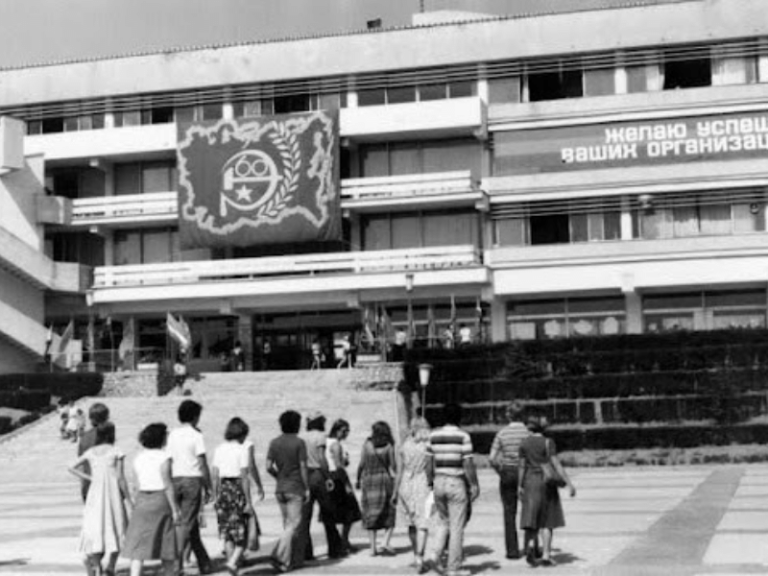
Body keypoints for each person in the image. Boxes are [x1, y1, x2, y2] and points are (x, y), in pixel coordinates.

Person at [425, 403, 480, 576]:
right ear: (459, 417)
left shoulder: (433, 435)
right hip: (456, 481)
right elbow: (468, 463)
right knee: (457, 527)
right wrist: (474, 484)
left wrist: (430, 482)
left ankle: (434, 555)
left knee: (443, 521)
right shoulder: (463, 436)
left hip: (438, 481)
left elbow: (428, 462)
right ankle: (453, 568)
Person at [69, 422, 130, 576]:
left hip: (95, 493)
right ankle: (110, 565)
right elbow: (121, 477)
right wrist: (129, 497)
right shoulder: (116, 451)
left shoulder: (90, 452)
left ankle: (96, 565)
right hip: (113, 493)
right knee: (118, 525)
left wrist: (90, 477)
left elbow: (71, 467)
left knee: (95, 525)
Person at [122, 423, 180, 576]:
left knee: (138, 544)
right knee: (166, 543)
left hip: (142, 500)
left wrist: (135, 503)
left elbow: (136, 485)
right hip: (160, 500)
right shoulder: (165, 457)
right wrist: (175, 509)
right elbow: (168, 484)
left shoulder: (138, 458)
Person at [518, 414, 576, 567]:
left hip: (530, 481)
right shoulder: (548, 442)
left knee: (530, 518)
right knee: (547, 520)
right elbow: (557, 465)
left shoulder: (523, 443)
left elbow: (522, 466)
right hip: (546, 483)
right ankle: (546, 555)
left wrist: (519, 485)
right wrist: (569, 484)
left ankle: (530, 548)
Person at [166, 400, 213, 575]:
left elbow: (169, 459)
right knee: (186, 524)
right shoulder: (196, 435)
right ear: (195, 416)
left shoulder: (173, 435)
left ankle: (204, 563)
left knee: (190, 526)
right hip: (192, 480)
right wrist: (208, 486)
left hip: (175, 478)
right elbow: (202, 463)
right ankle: (176, 565)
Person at [267, 410, 309, 573]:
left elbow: (268, 466)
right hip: (295, 487)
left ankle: (292, 560)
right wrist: (306, 487)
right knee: (294, 524)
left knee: (287, 525)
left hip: (280, 488)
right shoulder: (299, 443)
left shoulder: (274, 442)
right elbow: (303, 467)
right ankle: (278, 554)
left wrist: (278, 476)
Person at [212, 417, 255, 575]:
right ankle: (232, 562)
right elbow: (244, 476)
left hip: (223, 489)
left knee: (227, 532)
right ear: (241, 434)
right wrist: (249, 502)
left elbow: (215, 474)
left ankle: (233, 568)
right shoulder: (241, 449)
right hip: (237, 490)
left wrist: (215, 494)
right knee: (242, 532)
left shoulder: (219, 449)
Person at [489, 401, 530, 560]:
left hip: (507, 472)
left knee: (509, 512)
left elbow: (492, 458)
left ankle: (512, 550)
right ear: (523, 415)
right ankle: (530, 547)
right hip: (526, 473)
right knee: (529, 510)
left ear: (509, 415)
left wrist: (500, 472)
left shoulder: (502, 434)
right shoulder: (528, 433)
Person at [301, 411, 344, 560]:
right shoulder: (320, 436)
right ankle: (334, 549)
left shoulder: (302, 437)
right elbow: (321, 458)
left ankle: (306, 551)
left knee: (305, 517)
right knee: (328, 513)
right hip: (318, 475)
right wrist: (328, 477)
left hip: (305, 475)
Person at [392, 417, 432, 573]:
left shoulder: (404, 445)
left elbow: (399, 471)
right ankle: (420, 556)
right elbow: (430, 467)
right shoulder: (428, 445)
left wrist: (395, 492)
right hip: (422, 482)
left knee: (410, 522)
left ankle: (416, 554)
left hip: (406, 483)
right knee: (423, 522)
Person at [356, 420, 396, 556]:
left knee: (370, 513)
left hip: (369, 480)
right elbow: (393, 466)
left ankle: (372, 548)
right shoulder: (389, 446)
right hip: (384, 480)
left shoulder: (367, 445)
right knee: (389, 512)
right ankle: (385, 541)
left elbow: (361, 463)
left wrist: (357, 478)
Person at [326, 418, 362, 555]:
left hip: (328, 477)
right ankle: (343, 540)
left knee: (333, 512)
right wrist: (347, 484)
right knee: (350, 511)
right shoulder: (335, 444)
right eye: (344, 431)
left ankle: (340, 542)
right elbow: (339, 465)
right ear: (338, 430)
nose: (346, 434)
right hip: (337, 478)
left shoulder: (326, 442)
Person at [78, 402, 112, 502]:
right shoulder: (107, 436)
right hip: (105, 481)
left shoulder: (85, 437)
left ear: (90, 418)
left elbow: (81, 463)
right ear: (107, 417)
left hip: (89, 480)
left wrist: (83, 484)